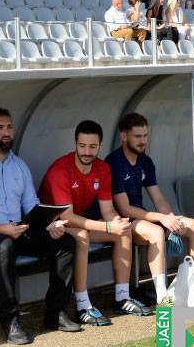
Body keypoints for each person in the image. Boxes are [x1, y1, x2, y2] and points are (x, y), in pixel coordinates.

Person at [0, 108, 78, 344]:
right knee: (4, 247)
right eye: (0, 128)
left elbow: (31, 205)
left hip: (14, 230)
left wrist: (50, 224)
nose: (6, 132)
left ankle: (56, 314)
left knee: (66, 242)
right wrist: (3, 230)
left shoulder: (19, 166)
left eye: (9, 127)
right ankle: (10, 322)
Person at [39, 120, 153, 326]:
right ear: (75, 143)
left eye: (92, 147)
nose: (86, 152)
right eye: (82, 146)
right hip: (54, 226)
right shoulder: (60, 169)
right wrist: (108, 226)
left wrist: (117, 222)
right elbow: (68, 217)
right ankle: (83, 306)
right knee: (82, 236)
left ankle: (122, 297)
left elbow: (107, 209)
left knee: (123, 232)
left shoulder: (102, 168)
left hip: (79, 222)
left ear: (100, 145)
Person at [105, 113, 194, 304]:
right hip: (123, 221)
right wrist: (161, 219)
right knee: (155, 231)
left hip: (144, 216)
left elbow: (158, 197)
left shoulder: (145, 161)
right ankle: (162, 294)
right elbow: (125, 209)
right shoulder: (114, 163)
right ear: (123, 136)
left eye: (145, 136)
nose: (143, 141)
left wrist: (170, 217)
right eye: (138, 137)